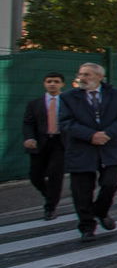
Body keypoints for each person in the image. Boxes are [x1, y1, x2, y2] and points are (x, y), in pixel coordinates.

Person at [58, 62, 117, 242]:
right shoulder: (69, 97)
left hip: (110, 146)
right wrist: (91, 135)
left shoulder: (115, 95)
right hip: (82, 148)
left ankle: (101, 211)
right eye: (81, 74)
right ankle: (87, 225)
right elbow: (66, 122)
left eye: (87, 75)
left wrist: (107, 134)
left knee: (110, 183)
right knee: (81, 190)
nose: (82, 78)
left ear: (99, 77)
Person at [22, 72, 67, 220]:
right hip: (40, 143)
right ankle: (49, 194)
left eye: (56, 81)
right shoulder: (35, 104)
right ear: (44, 84)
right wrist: (29, 138)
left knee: (55, 174)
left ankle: (50, 207)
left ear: (62, 84)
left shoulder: (68, 103)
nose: (52, 84)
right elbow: (28, 123)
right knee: (35, 176)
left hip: (60, 143)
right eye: (49, 81)